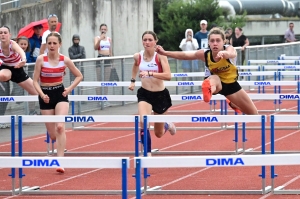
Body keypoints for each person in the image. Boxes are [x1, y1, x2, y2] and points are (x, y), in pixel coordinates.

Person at [156, 27, 258, 115]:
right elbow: (185, 55)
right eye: (212, 41)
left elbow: (231, 53)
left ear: (224, 41)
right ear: (208, 42)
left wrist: (223, 54)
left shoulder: (229, 49)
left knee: (254, 113)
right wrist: (165, 53)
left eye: (218, 41)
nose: (215, 43)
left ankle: (232, 102)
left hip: (231, 84)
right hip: (214, 82)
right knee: (215, 78)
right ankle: (208, 91)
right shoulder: (204, 54)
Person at [33, 32, 83, 173]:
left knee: (60, 127)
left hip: (60, 94)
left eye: (55, 43)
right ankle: (59, 143)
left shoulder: (65, 60)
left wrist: (69, 89)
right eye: (49, 43)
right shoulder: (41, 60)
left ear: (60, 44)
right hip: (45, 95)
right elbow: (35, 81)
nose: (52, 45)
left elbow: (79, 76)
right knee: (53, 134)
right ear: (46, 45)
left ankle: (60, 161)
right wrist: (42, 95)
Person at [128, 30, 176, 156]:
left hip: (160, 95)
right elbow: (135, 66)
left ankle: (167, 125)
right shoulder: (138, 56)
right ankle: (147, 153)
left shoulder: (160, 56)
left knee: (158, 133)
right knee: (143, 121)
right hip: (145, 94)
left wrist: (150, 73)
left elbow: (168, 76)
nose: (147, 42)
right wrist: (133, 80)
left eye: (150, 40)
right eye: (145, 40)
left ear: (155, 41)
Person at [0, 26, 38, 116]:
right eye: (1, 33)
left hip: (17, 68)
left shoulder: (12, 44)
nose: (3, 35)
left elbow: (21, 51)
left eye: (5, 33)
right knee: (3, 76)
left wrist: (23, 60)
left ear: (10, 35)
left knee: (37, 92)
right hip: (5, 68)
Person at [15, 36, 38, 115]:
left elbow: (30, 60)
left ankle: (31, 111)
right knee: (10, 96)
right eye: (21, 44)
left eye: (25, 44)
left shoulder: (28, 52)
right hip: (14, 76)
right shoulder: (14, 52)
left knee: (33, 91)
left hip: (25, 75)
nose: (23, 46)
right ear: (17, 44)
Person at [94, 24, 113, 97]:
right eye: (102, 29)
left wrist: (112, 61)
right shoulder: (97, 38)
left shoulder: (109, 39)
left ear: (107, 30)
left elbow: (110, 50)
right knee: (99, 79)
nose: (103, 30)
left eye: (105, 29)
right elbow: (95, 48)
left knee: (106, 80)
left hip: (107, 58)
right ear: (100, 30)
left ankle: (105, 97)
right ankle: (99, 98)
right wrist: (100, 40)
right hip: (100, 58)